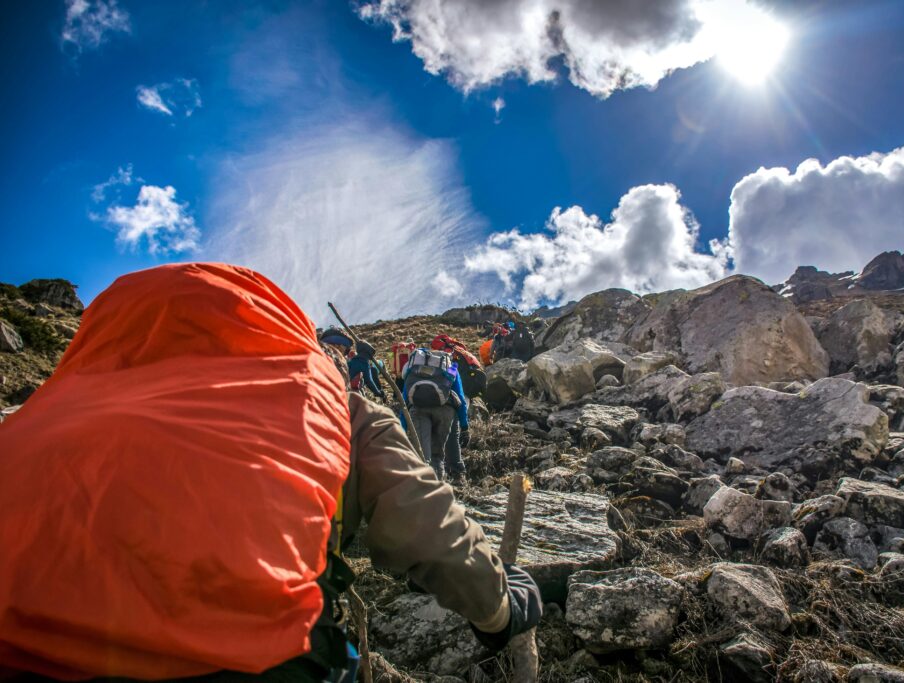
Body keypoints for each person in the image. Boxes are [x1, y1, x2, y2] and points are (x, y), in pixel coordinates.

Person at [0, 263, 541, 682]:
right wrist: (497, 609)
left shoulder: (38, 413)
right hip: (252, 653)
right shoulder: (327, 396)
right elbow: (423, 517)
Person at [401, 347, 469, 481]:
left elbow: (404, 399)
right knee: (437, 455)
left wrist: (402, 429)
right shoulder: (451, 366)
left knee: (423, 456)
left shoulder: (414, 367)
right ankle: (446, 482)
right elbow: (460, 398)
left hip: (418, 409)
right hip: (445, 411)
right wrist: (465, 425)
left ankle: (425, 486)